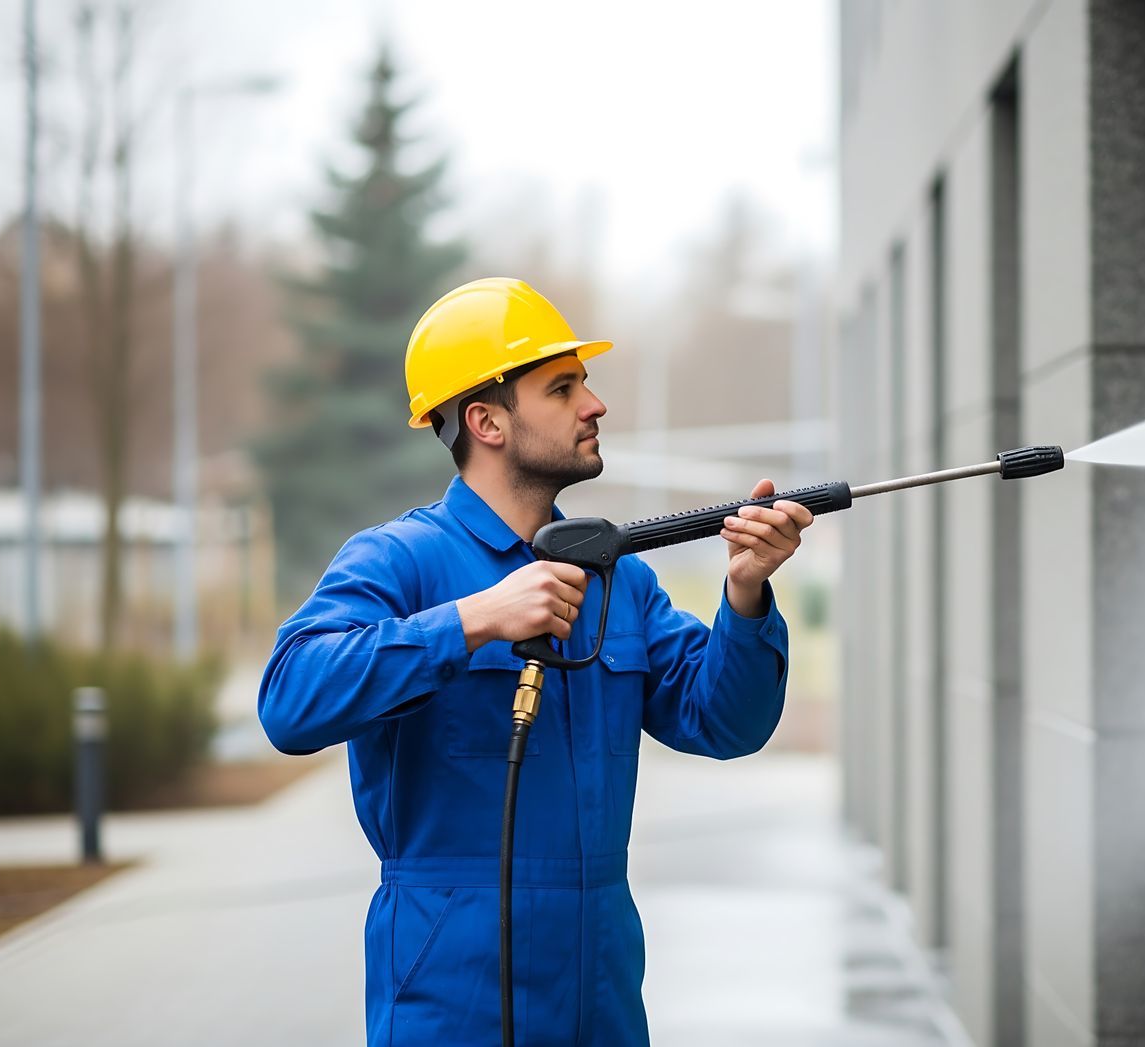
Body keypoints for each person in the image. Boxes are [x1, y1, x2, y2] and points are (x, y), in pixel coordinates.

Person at [258, 277, 812, 1045]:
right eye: (563, 388)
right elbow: (289, 700)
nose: (596, 405)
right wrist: (472, 621)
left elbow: (724, 722)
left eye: (584, 383)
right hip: (450, 995)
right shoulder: (398, 560)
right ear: (485, 420)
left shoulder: (619, 577)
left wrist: (746, 594)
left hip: (601, 990)